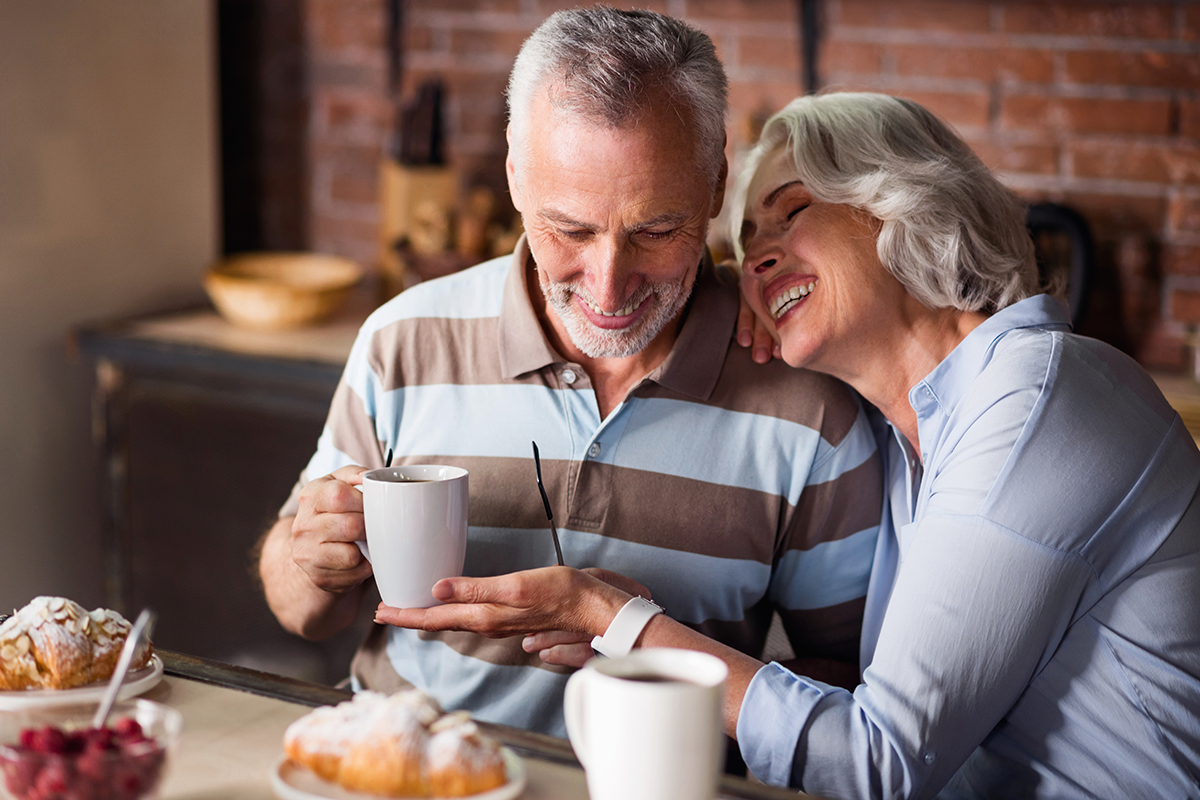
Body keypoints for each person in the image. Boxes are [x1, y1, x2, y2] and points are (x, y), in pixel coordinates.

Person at [378, 91, 1200, 799]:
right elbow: (872, 709)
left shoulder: (1037, 401)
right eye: (742, 243)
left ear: (903, 203)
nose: (755, 258)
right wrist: (648, 631)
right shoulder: (918, 435)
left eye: (795, 211)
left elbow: (879, 761)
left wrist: (611, 614)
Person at [257, 7, 881, 741]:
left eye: (656, 231)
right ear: (515, 178)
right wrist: (308, 561)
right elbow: (300, 609)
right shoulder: (404, 339)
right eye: (570, 230)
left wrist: (648, 642)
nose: (610, 287)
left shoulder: (809, 401)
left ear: (717, 183)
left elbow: (847, 695)